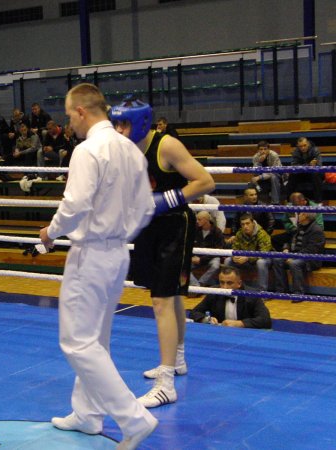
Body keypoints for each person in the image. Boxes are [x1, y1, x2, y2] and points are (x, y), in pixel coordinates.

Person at [40, 83, 158, 450]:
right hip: (117, 252)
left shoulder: (88, 150)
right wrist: (118, 232)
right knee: (95, 340)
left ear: (80, 111)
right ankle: (88, 413)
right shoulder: (130, 149)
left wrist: (50, 232)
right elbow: (147, 208)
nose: (68, 123)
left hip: (91, 253)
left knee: (77, 342)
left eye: (69, 115)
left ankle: (133, 418)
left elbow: (75, 204)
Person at [111, 97, 215, 408]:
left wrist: (167, 199)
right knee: (169, 296)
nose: (119, 129)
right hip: (148, 225)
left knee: (162, 300)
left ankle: (166, 384)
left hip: (174, 225)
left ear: (140, 122)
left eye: (125, 123)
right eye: (116, 123)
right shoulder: (124, 148)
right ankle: (177, 359)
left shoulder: (166, 145)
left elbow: (205, 181)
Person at [190, 266, 272, 329]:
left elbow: (265, 320)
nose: (224, 287)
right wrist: (205, 319)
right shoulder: (214, 292)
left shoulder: (252, 294)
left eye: (229, 283)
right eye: (222, 282)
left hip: (245, 335)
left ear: (239, 284)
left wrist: (240, 323)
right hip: (220, 335)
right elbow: (194, 312)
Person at [273, 212, 325, 302]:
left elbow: (311, 250)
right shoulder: (299, 226)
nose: (298, 215)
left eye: (300, 214)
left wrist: (294, 257)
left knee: (294, 264)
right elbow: (289, 240)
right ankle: (281, 291)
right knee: (277, 260)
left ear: (305, 216)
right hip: (295, 254)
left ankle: (298, 293)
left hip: (310, 259)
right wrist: (286, 248)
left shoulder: (317, 230)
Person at [224, 213, 272, 291]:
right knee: (228, 260)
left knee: (261, 262)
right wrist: (235, 256)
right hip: (244, 259)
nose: (245, 226)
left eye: (247, 223)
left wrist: (248, 258)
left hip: (262, 259)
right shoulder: (239, 233)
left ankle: (263, 292)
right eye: (243, 224)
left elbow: (263, 253)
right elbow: (235, 248)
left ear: (253, 223)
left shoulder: (262, 234)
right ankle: (228, 288)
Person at [190, 211, 224, 288]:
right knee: (183, 266)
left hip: (211, 257)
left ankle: (201, 283)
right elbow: (189, 245)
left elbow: (218, 250)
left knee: (215, 265)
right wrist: (192, 256)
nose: (197, 221)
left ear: (206, 220)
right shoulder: (195, 230)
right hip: (197, 256)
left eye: (199, 219)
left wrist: (202, 259)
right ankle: (196, 285)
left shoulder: (217, 232)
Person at [286, 137, 324, 203]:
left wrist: (314, 164)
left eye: (304, 145)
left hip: (313, 173)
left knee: (316, 174)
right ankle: (290, 202)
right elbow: (294, 166)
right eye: (300, 146)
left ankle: (318, 202)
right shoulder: (295, 152)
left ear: (308, 144)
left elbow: (319, 165)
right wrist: (309, 165)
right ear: (298, 146)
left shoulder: (315, 150)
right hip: (302, 174)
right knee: (292, 175)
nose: (303, 148)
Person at [251, 140, 283, 204]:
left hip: (276, 175)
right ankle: (259, 203)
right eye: (261, 149)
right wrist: (259, 162)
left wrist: (260, 177)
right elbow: (255, 173)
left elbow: (274, 171)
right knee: (253, 181)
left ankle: (275, 202)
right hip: (262, 176)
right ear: (258, 150)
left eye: (265, 149)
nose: (263, 151)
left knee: (273, 177)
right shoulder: (255, 157)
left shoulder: (274, 155)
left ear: (269, 149)